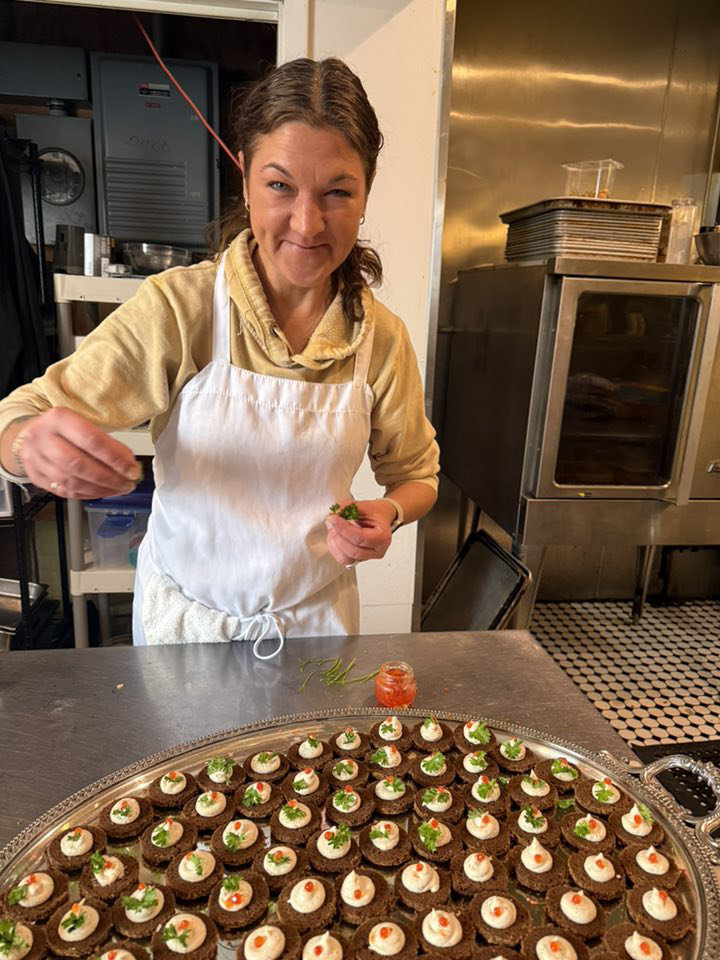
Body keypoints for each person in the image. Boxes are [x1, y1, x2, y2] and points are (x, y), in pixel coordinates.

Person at [0, 57, 439, 655]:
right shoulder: (181, 310)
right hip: (186, 632)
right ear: (244, 175)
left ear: (366, 192)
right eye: (279, 185)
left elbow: (417, 475)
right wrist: (32, 443)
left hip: (315, 629)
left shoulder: (380, 340)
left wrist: (387, 511)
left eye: (337, 191)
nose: (307, 224)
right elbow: (22, 412)